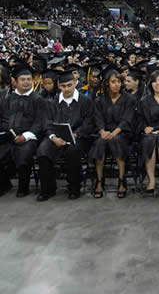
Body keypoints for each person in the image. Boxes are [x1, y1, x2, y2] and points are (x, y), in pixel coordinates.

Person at [36, 69, 95, 201]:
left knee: (72, 151)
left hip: (78, 137)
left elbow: (89, 124)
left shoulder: (85, 101)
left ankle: (74, 188)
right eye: (63, 86)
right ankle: (47, 189)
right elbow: (47, 123)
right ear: (58, 86)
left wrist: (76, 135)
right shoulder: (52, 102)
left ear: (75, 83)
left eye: (69, 85)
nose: (67, 89)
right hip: (56, 137)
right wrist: (53, 137)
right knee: (43, 151)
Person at [0, 63, 45, 198]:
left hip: (29, 138)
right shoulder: (7, 99)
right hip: (8, 136)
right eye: (23, 80)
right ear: (15, 81)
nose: (26, 82)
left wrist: (25, 136)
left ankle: (23, 186)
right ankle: (4, 184)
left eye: (28, 79)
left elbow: (40, 122)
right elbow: (2, 118)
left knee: (24, 153)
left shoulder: (38, 99)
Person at [91, 68, 135, 199]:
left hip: (122, 133)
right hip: (104, 132)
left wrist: (114, 132)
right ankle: (99, 181)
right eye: (113, 82)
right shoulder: (100, 100)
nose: (117, 84)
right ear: (107, 84)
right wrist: (102, 131)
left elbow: (127, 119)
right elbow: (97, 118)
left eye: (119, 82)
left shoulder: (129, 99)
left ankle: (122, 180)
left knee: (117, 141)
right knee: (99, 143)